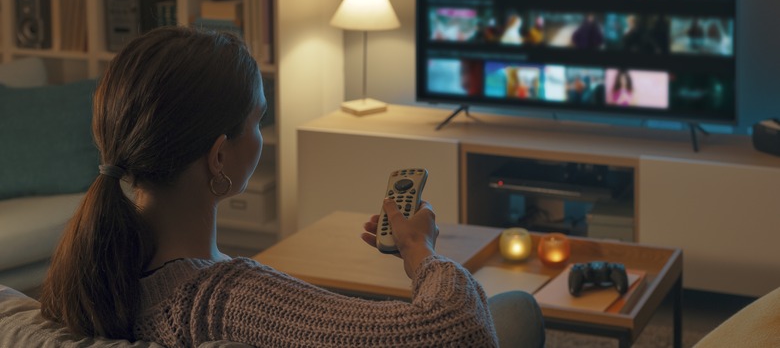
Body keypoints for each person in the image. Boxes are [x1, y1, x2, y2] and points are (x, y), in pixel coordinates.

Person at [39, 26, 545, 347]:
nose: (261, 135)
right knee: (516, 311)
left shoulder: (91, 270)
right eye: (258, 121)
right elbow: (457, 333)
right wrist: (419, 250)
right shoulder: (225, 300)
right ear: (219, 156)